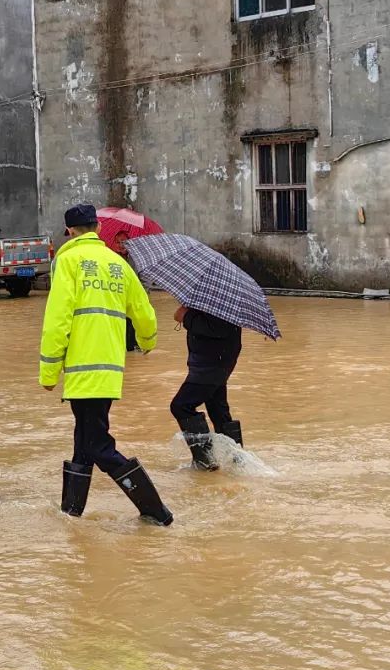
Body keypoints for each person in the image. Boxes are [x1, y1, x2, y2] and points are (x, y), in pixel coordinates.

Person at [40, 204, 173, 525]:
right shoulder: (118, 263)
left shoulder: (67, 261)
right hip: (110, 370)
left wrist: (48, 370)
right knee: (83, 442)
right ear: (97, 228)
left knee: (98, 445)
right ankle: (71, 515)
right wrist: (148, 342)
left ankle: (157, 513)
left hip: (83, 371)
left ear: (70, 230)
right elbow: (144, 313)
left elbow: (57, 320)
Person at [170, 304, 243, 470]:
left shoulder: (219, 301)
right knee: (218, 410)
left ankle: (206, 462)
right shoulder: (217, 297)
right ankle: (237, 460)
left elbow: (216, 327)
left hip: (210, 364)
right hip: (217, 361)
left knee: (181, 406)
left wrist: (186, 316)